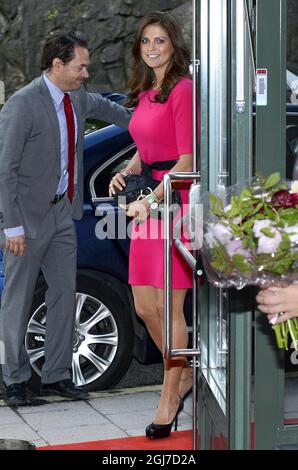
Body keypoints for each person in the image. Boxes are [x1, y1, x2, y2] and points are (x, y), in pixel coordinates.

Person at [0, 31, 131, 405]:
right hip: (24, 219)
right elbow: (4, 171)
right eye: (80, 66)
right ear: (57, 66)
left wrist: (150, 124)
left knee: (64, 295)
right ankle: (15, 381)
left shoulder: (76, 97)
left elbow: (114, 112)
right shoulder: (21, 105)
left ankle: (56, 376)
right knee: (18, 300)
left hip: (63, 213)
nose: (86, 73)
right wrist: (11, 226)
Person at [109, 11, 194, 439]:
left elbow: (186, 160)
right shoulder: (146, 93)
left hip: (174, 205)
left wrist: (150, 199)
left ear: (173, 45)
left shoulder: (183, 90)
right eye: (145, 41)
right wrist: (126, 170)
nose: (152, 48)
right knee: (145, 307)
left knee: (170, 306)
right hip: (148, 207)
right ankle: (184, 370)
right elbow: (146, 150)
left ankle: (169, 396)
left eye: (159, 40)